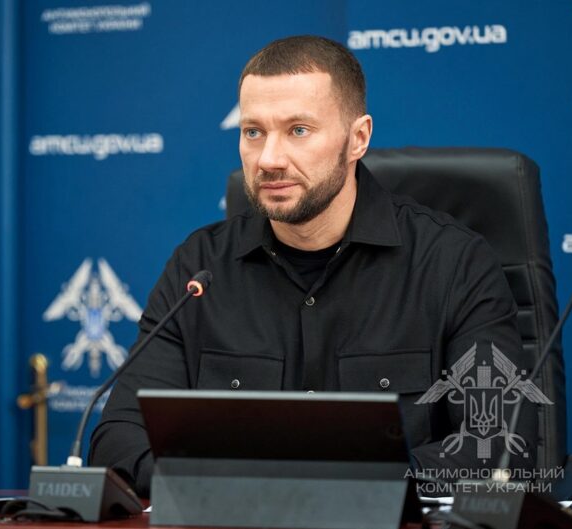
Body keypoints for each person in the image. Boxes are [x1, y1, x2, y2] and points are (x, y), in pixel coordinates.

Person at [89, 35, 537, 496]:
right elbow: (118, 440)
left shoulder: (452, 263)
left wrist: (335, 484)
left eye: (298, 130)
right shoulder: (200, 268)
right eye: (253, 132)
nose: (269, 159)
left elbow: (500, 449)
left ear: (358, 138)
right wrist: (255, 485)